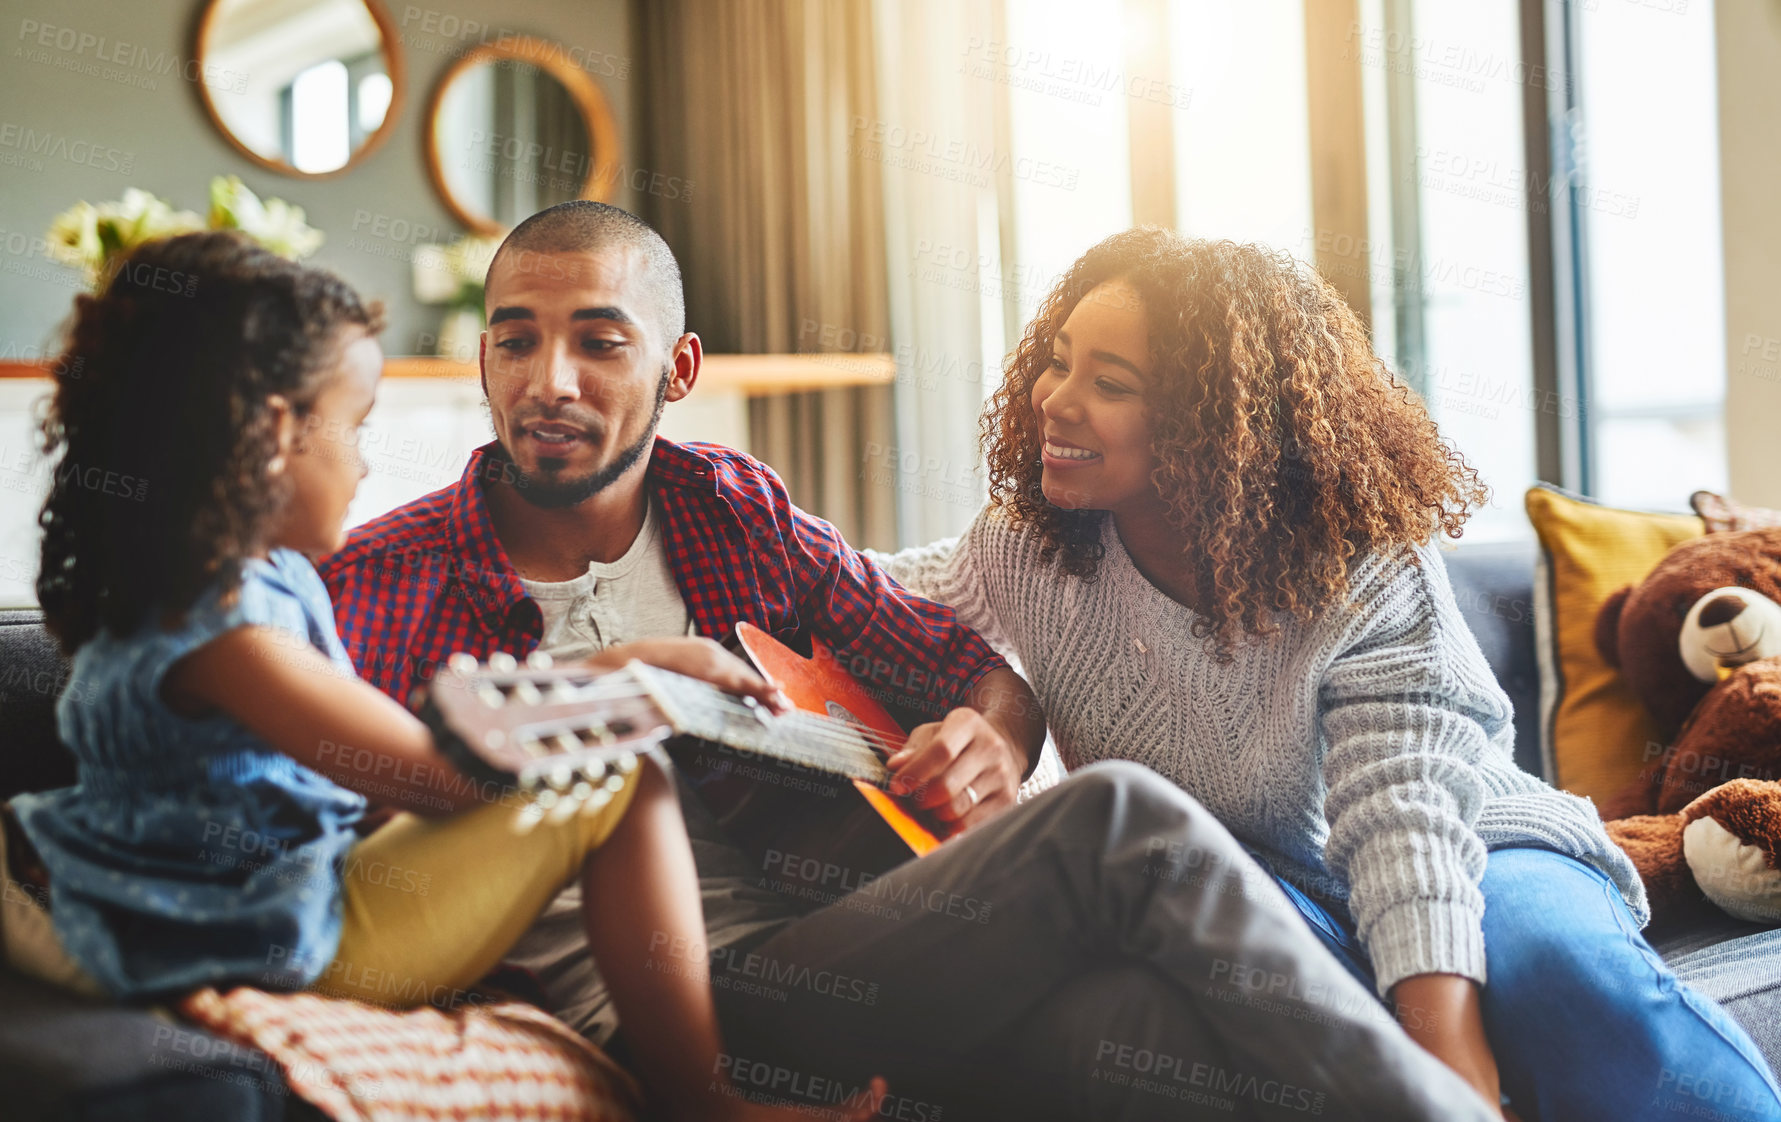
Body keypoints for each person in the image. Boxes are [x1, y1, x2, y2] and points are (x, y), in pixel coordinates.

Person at [321, 199, 1505, 1122]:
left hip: (836, 948)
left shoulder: (733, 511)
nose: (550, 383)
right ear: (480, 364)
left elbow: (951, 654)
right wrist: (616, 689)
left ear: (676, 372)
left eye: (599, 343)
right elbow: (305, 841)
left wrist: (990, 734)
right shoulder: (380, 579)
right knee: (1119, 824)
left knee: (1130, 1028)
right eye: (515, 343)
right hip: (670, 1007)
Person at [865, 226, 1781, 1122]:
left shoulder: (1363, 566)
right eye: (1057, 359)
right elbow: (856, 600)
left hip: (1477, 845)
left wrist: (1450, 1079)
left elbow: (1406, 829)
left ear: (1212, 424)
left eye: (1109, 383)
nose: (1052, 399)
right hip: (1258, 892)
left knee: (1554, 978)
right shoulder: (1025, 546)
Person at [0, 231, 884, 1122]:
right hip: (279, 939)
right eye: (354, 427)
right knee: (629, 779)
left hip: (273, 887)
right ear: (274, 436)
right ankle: (707, 1103)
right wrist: (628, 688)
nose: (365, 463)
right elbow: (437, 778)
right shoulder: (229, 634)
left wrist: (617, 668)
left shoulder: (237, 579)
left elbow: (371, 789)